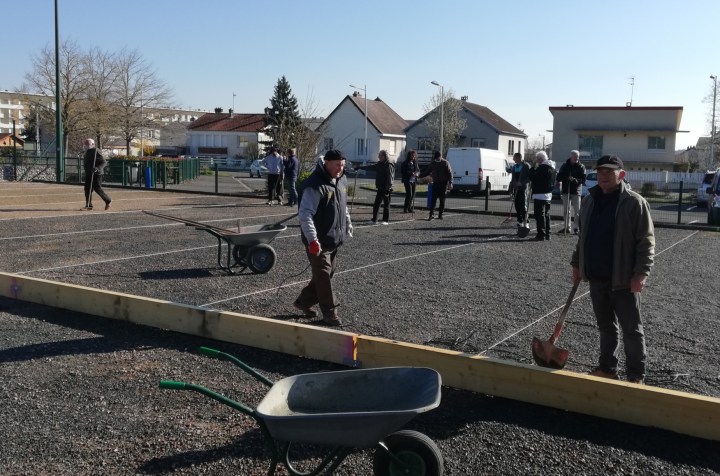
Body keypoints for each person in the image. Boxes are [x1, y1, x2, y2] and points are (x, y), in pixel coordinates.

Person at [571, 154, 655, 384]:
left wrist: (641, 273)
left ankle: (636, 375)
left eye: (609, 171)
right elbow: (583, 238)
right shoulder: (590, 200)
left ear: (622, 175)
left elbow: (646, 242)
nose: (603, 176)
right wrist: (577, 264)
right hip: (596, 277)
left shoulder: (634, 203)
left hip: (623, 279)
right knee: (606, 327)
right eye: (600, 171)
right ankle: (607, 368)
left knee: (632, 330)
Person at [293, 149, 353, 326]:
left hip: (333, 238)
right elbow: (305, 214)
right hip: (318, 241)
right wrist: (312, 239)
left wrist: (348, 223)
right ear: (326, 163)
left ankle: (303, 302)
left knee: (325, 274)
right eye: (337, 165)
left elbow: (343, 206)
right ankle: (330, 312)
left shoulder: (341, 180)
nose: (340, 168)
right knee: (324, 275)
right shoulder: (315, 185)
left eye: (342, 165)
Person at [359, 150, 395, 225]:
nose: (379, 157)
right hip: (380, 187)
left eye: (380, 155)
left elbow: (390, 177)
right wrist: (359, 167)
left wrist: (389, 188)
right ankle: (374, 220)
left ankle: (385, 220)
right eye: (379, 155)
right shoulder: (379, 164)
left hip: (386, 188)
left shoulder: (389, 165)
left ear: (384, 156)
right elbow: (370, 167)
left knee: (386, 205)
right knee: (376, 204)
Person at [556, 150, 587, 234]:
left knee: (577, 211)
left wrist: (575, 180)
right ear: (571, 157)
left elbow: (583, 179)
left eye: (577, 157)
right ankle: (567, 227)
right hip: (566, 190)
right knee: (566, 210)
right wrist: (565, 178)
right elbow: (559, 177)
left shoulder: (581, 166)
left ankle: (576, 228)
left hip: (576, 191)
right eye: (574, 157)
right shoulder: (564, 166)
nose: (576, 158)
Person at [528, 151, 556, 240]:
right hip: (548, 194)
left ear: (540, 159)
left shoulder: (541, 168)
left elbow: (533, 177)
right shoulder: (552, 168)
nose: (536, 160)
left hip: (539, 194)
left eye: (537, 159)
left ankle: (541, 234)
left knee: (539, 215)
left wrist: (533, 168)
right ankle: (548, 233)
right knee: (546, 214)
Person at [419, 151, 453, 220]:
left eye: (438, 158)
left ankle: (440, 214)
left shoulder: (445, 163)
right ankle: (431, 214)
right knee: (433, 200)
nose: (437, 159)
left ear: (440, 157)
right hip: (436, 183)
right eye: (436, 158)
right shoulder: (433, 163)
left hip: (443, 183)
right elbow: (427, 172)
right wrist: (419, 176)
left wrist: (450, 182)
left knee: (442, 200)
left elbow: (450, 173)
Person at [82, 138, 111, 211]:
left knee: (97, 188)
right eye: (85, 144)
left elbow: (104, 162)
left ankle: (108, 200)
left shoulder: (96, 151)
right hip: (89, 173)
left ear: (93, 144)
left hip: (96, 174)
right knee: (87, 189)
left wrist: (97, 168)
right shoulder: (87, 152)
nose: (86, 145)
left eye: (88, 144)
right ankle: (88, 205)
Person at [508, 152, 531, 227]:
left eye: (514, 157)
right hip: (516, 189)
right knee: (517, 206)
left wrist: (522, 183)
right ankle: (519, 221)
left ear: (518, 158)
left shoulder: (526, 166)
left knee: (523, 206)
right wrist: (511, 190)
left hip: (523, 189)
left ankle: (526, 222)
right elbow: (513, 179)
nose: (513, 159)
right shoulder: (514, 167)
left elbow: (529, 178)